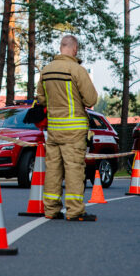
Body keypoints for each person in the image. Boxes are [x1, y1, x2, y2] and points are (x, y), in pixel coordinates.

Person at [34, 35, 98, 221]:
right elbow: (91, 100)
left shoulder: (46, 70)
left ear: (61, 47)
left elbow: (42, 99)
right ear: (75, 49)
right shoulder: (77, 70)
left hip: (53, 130)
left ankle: (51, 209)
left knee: (53, 169)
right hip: (74, 130)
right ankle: (75, 210)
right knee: (74, 169)